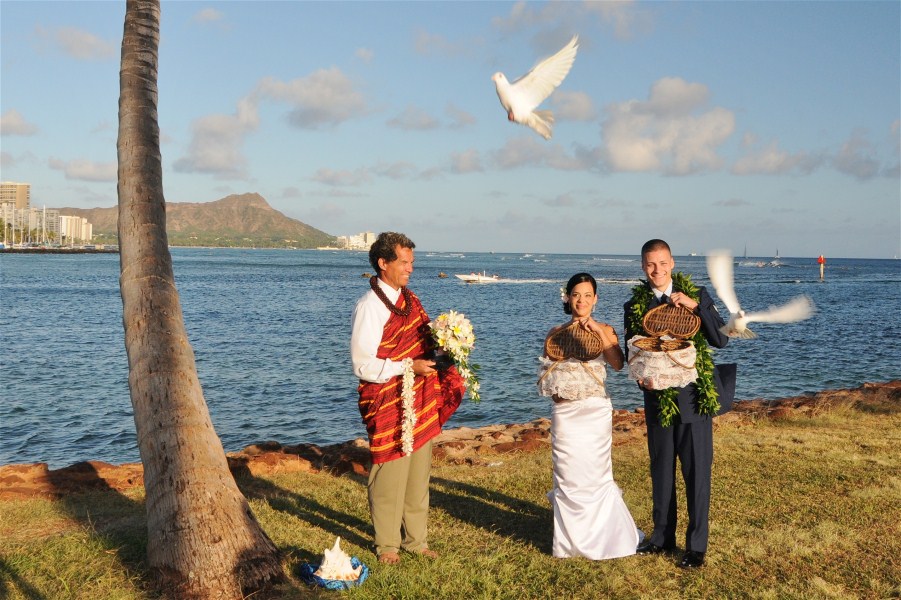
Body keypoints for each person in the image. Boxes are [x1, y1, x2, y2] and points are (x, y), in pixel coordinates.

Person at [350, 232, 465, 565]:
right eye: (403, 262)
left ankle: (416, 541)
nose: (410, 268)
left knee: (417, 476)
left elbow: (422, 343)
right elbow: (362, 364)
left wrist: (447, 351)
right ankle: (387, 545)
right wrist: (407, 366)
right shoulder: (370, 306)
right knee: (389, 474)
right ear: (383, 263)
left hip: (419, 396)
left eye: (412, 262)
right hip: (387, 399)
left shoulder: (411, 301)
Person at [623, 239, 736, 569]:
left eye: (662, 263)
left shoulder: (697, 294)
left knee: (697, 473)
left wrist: (695, 307)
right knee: (661, 471)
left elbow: (722, 339)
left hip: (694, 401)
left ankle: (696, 547)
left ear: (672, 263)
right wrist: (640, 377)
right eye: (650, 264)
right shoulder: (634, 305)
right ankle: (661, 538)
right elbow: (634, 353)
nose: (656, 270)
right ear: (643, 266)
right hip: (657, 401)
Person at [538, 272, 641, 560]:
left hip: (594, 412)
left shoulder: (605, 329)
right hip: (565, 414)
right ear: (567, 298)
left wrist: (595, 329)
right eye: (576, 295)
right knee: (567, 476)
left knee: (595, 475)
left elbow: (618, 364)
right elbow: (546, 374)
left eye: (587, 295)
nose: (581, 301)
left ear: (595, 299)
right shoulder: (555, 332)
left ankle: (606, 538)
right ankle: (569, 543)